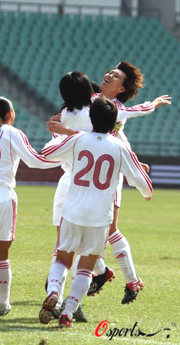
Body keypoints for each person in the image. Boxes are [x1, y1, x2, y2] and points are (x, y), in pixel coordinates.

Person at [46, 62, 171, 305]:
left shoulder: (116, 110)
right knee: (89, 231)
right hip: (85, 174)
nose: (109, 74)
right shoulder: (90, 100)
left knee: (107, 229)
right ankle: (101, 273)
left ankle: (127, 278)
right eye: (109, 71)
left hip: (107, 178)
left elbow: (113, 134)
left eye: (115, 75)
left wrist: (154, 104)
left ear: (121, 88)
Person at [40, 97, 153, 328]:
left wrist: (58, 133)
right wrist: (146, 193)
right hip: (100, 216)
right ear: (115, 124)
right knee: (86, 267)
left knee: (62, 258)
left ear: (90, 119)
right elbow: (142, 182)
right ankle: (67, 313)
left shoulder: (78, 139)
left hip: (71, 211)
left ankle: (53, 291)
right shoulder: (120, 147)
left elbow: (48, 153)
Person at [0, 96, 59, 319]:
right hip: (1, 196)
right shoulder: (13, 133)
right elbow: (35, 161)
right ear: (10, 113)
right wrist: (65, 158)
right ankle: (2, 303)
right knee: (1, 255)